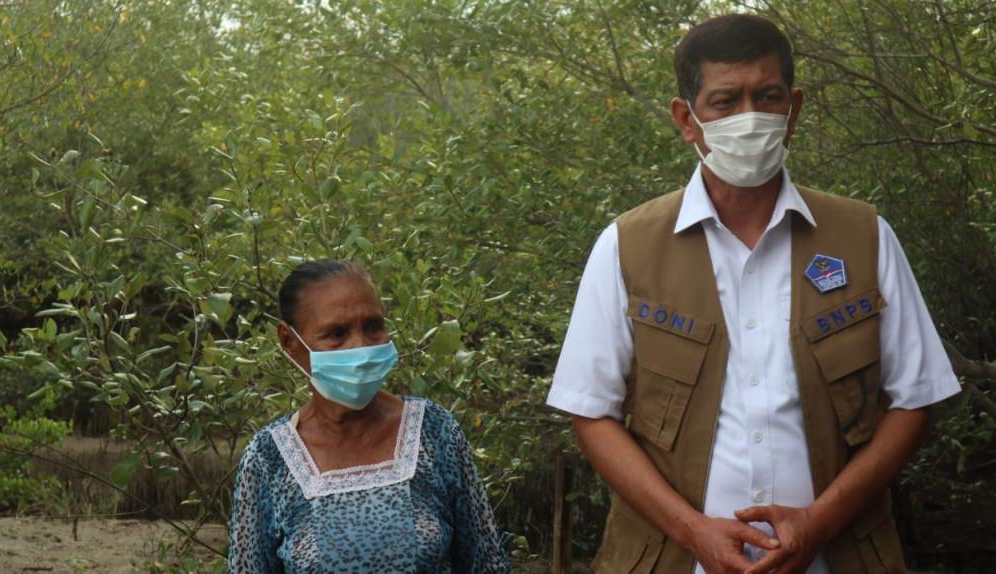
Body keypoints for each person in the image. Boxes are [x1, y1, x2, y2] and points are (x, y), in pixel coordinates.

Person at [546, 14, 960, 574]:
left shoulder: (864, 236)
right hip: (674, 561)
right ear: (686, 120)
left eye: (767, 97)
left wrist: (820, 523)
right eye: (725, 101)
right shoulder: (627, 246)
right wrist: (693, 533)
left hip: (838, 558)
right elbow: (592, 414)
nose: (750, 118)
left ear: (794, 110)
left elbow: (916, 399)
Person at [228, 259, 510, 573]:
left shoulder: (434, 432)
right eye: (336, 333)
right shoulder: (269, 458)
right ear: (290, 342)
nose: (360, 348)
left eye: (373, 326)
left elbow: (486, 563)